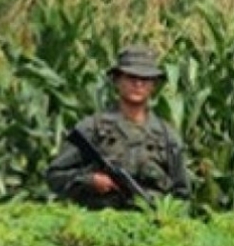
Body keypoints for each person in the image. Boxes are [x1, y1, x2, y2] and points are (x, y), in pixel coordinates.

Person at [46, 45, 190, 210]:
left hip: (152, 228)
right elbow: (54, 176)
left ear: (154, 85)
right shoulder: (91, 129)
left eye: (145, 79)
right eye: (131, 77)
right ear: (116, 80)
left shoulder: (167, 136)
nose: (138, 84)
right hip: (98, 226)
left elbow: (182, 195)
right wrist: (89, 180)